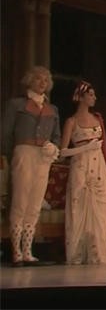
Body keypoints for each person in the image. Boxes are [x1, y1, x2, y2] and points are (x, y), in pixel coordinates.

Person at [1, 66, 61, 267]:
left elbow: (57, 136)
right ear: (29, 81)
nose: (42, 82)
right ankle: (16, 252)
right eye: (38, 79)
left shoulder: (52, 109)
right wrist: (13, 153)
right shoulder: (16, 105)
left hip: (43, 156)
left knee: (35, 203)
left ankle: (28, 251)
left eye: (45, 79)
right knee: (20, 200)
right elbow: (5, 134)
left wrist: (54, 147)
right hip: (24, 152)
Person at [59, 81, 106, 265]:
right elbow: (63, 152)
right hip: (80, 167)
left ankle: (98, 252)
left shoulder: (97, 119)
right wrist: (85, 147)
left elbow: (104, 146)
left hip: (98, 167)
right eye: (91, 95)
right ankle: (77, 254)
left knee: (101, 210)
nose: (94, 98)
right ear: (82, 97)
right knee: (79, 209)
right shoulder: (71, 122)